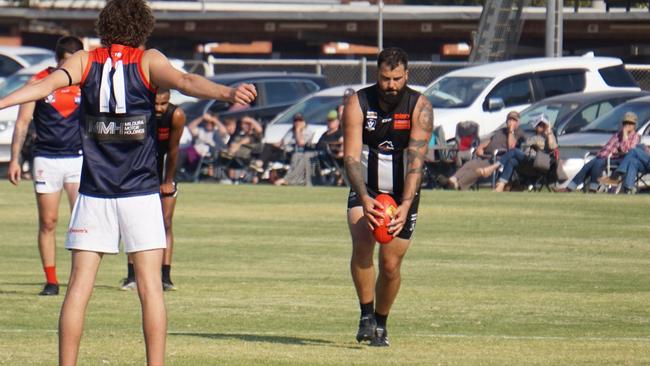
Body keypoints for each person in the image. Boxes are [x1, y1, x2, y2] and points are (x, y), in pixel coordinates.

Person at [0, 0, 256, 365]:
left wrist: (3, 101)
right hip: (139, 193)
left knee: (78, 289)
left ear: (105, 25)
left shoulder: (85, 61)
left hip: (94, 192)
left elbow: (45, 87)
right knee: (151, 289)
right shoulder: (147, 60)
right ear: (142, 27)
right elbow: (186, 82)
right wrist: (227, 93)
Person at [343, 47, 433, 347]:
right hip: (365, 189)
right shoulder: (357, 103)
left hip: (403, 193)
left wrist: (406, 205)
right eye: (385, 78)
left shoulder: (419, 107)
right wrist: (364, 198)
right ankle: (366, 315)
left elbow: (416, 161)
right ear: (376, 75)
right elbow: (352, 159)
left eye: (396, 78)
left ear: (406, 75)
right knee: (362, 245)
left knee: (391, 264)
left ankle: (381, 322)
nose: (391, 85)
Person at [6, 36, 84, 296]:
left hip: (78, 158)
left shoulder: (87, 83)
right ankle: (51, 280)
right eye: (66, 62)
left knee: (81, 222)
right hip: (47, 158)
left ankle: (79, 278)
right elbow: (22, 122)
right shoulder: (39, 81)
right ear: (58, 60)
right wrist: (15, 159)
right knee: (48, 222)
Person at [121, 89, 186, 291]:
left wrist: (168, 180)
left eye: (163, 104)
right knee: (135, 223)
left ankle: (165, 276)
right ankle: (132, 275)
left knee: (165, 222)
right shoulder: (138, 114)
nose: (159, 109)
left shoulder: (176, 115)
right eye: (155, 104)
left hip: (164, 168)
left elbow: (173, 150)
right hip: (139, 170)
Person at [446, 111, 525, 190]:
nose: (511, 122)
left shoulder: (518, 132)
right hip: (486, 155)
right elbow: (490, 140)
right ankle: (453, 179)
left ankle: (458, 185)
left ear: (517, 122)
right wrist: (480, 147)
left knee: (476, 170)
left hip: (498, 158)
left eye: (514, 120)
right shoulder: (501, 131)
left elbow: (511, 148)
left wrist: (511, 131)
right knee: (470, 164)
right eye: (509, 119)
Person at [477, 114, 557, 192]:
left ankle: (492, 168)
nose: (540, 127)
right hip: (527, 161)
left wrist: (549, 132)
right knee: (512, 161)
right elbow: (524, 147)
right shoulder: (532, 136)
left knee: (514, 151)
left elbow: (553, 147)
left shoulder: (549, 135)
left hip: (539, 163)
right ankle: (500, 186)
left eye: (543, 125)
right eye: (539, 125)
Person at [563, 112, 639, 192]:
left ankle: (592, 188)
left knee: (598, 163)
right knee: (587, 166)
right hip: (604, 156)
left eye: (631, 123)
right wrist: (600, 155)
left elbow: (626, 151)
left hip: (618, 158)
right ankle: (571, 187)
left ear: (634, 125)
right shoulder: (617, 135)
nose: (627, 125)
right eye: (625, 123)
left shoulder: (635, 136)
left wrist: (625, 136)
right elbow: (607, 147)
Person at [273, 113, 316, 186]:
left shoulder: (307, 131)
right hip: (285, 151)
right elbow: (282, 142)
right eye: (296, 121)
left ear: (304, 121)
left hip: (298, 151)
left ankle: (287, 179)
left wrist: (298, 130)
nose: (297, 123)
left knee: (297, 155)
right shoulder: (290, 131)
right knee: (267, 148)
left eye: (300, 120)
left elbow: (301, 143)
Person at [316, 110, 344, 185]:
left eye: (332, 120)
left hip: (331, 156)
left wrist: (329, 145)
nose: (329, 122)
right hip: (319, 155)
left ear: (338, 121)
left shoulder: (340, 133)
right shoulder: (325, 134)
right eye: (328, 120)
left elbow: (342, 144)